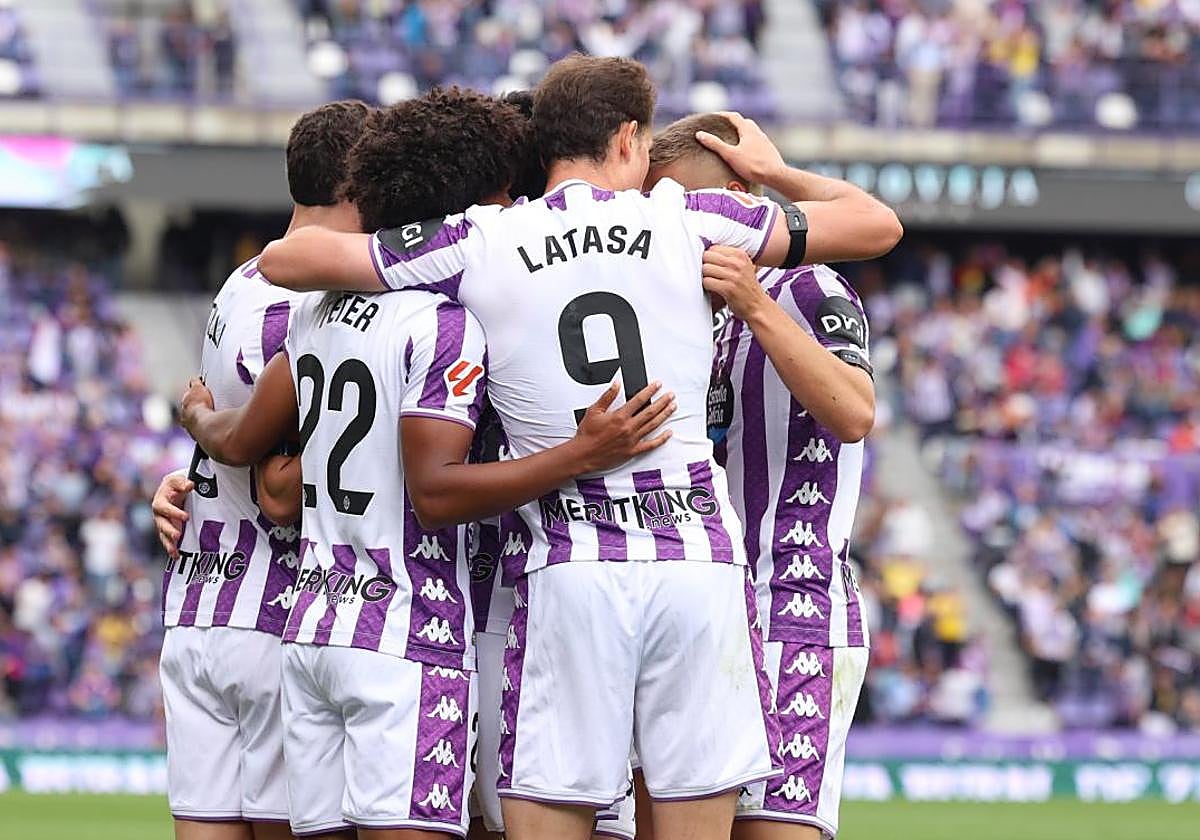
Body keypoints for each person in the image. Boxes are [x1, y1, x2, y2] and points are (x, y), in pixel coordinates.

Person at [255, 54, 901, 840]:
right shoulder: (686, 217)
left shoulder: (485, 236)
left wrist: (406, 244)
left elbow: (289, 260)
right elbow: (876, 225)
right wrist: (772, 171)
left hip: (571, 565)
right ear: (628, 138)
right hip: (696, 562)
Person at [175, 87, 676, 840]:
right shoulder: (454, 321)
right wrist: (580, 452)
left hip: (318, 622)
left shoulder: (320, 307)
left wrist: (195, 427)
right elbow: (423, 490)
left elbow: (269, 480)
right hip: (425, 629)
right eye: (504, 195)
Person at [644, 111, 876, 840]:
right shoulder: (688, 310)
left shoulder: (809, 286)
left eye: (687, 204)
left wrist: (755, 302)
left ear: (741, 201)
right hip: (704, 610)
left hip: (793, 610)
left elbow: (853, 411)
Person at [154, 99, 371, 840]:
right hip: (275, 614)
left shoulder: (240, 282)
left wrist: (188, 460)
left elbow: (215, 421)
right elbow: (279, 491)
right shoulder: (312, 305)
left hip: (194, 611)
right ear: (358, 186)